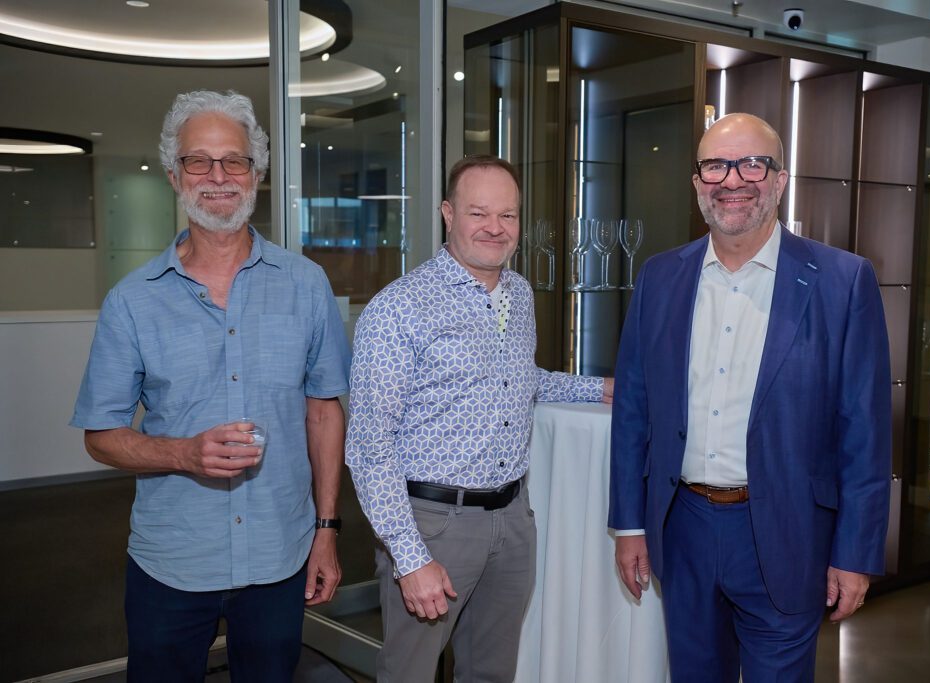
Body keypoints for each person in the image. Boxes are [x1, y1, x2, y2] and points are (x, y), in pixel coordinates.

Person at [70, 90, 351, 682]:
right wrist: (182, 453)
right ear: (175, 175)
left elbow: (324, 411)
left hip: (280, 554)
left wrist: (326, 531)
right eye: (200, 161)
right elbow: (101, 436)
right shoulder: (131, 301)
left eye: (235, 161)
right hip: (171, 560)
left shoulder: (306, 284)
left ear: (258, 173)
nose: (218, 177)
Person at [609, 113, 891, 682]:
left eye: (751, 164)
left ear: (780, 180)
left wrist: (855, 554)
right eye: (715, 165)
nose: (731, 179)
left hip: (786, 535)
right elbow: (634, 409)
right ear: (697, 182)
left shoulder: (843, 282)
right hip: (682, 529)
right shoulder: (660, 278)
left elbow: (865, 430)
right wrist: (630, 526)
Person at [346, 154, 613, 682]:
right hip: (431, 524)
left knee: (491, 674)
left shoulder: (518, 293)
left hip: (513, 521)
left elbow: (522, 381)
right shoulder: (399, 307)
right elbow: (368, 445)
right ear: (448, 214)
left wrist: (601, 388)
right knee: (410, 674)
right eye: (479, 213)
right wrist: (409, 556)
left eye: (508, 215)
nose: (495, 227)